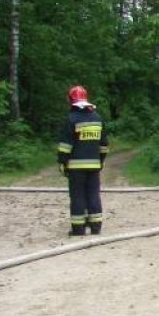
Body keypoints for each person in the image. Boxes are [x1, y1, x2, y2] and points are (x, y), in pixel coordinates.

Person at [57, 85, 109, 236]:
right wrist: (100, 160)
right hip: (94, 165)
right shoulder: (97, 118)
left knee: (78, 195)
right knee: (93, 194)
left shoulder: (71, 119)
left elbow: (65, 146)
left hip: (75, 166)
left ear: (71, 100)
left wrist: (62, 162)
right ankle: (95, 227)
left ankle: (78, 229)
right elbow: (104, 145)